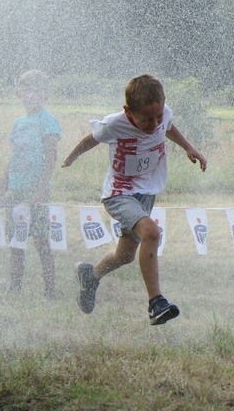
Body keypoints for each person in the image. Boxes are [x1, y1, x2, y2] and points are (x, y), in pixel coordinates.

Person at [61, 73, 207, 325]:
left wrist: (188, 147)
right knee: (151, 232)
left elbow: (168, 127)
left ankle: (90, 276)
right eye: (146, 119)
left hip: (146, 193)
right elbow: (91, 139)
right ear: (129, 112)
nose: (154, 124)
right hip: (120, 193)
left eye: (157, 117)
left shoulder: (163, 114)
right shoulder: (115, 124)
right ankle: (156, 303)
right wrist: (71, 158)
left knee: (125, 255)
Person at [0, 70, 61, 298]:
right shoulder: (19, 123)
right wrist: (2, 187)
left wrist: (40, 190)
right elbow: (12, 158)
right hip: (15, 189)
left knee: (42, 241)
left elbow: (51, 159)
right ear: (19, 94)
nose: (29, 95)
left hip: (36, 191)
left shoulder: (48, 122)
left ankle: (50, 289)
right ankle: (15, 286)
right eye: (25, 90)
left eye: (34, 90)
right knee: (16, 239)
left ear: (44, 95)